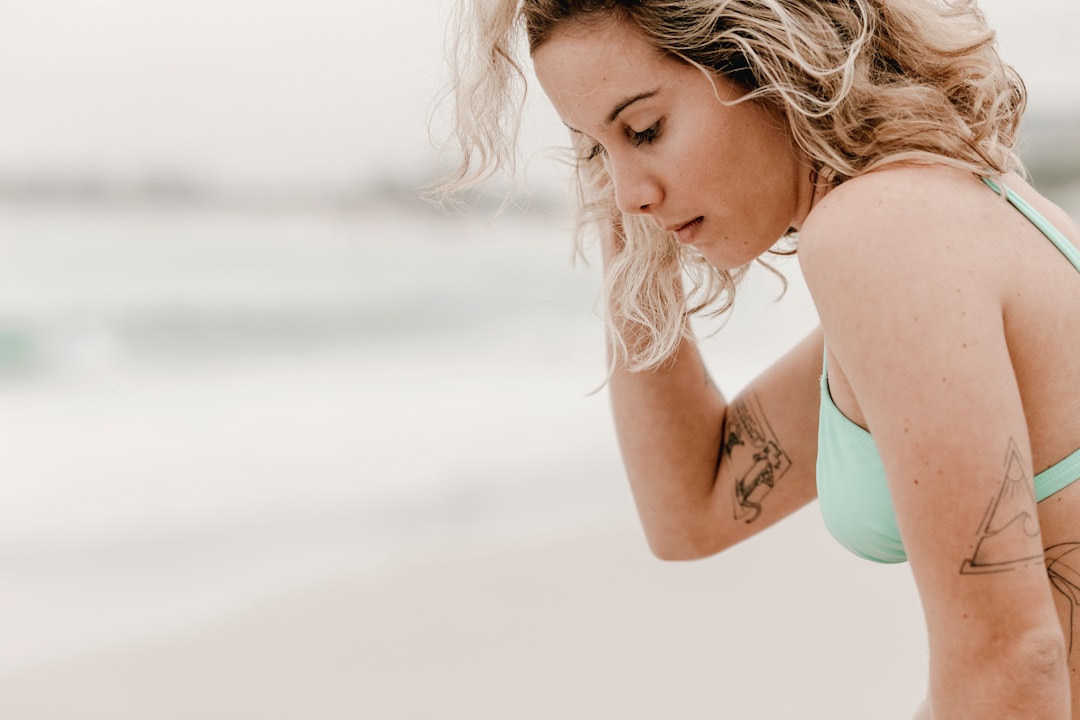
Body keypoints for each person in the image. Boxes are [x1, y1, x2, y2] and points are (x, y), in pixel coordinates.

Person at [436, 0, 1080, 716]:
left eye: (646, 129)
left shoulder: (881, 232)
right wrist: (630, 219)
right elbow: (693, 507)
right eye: (594, 150)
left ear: (765, 57)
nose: (626, 195)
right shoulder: (937, 206)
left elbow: (1014, 664)